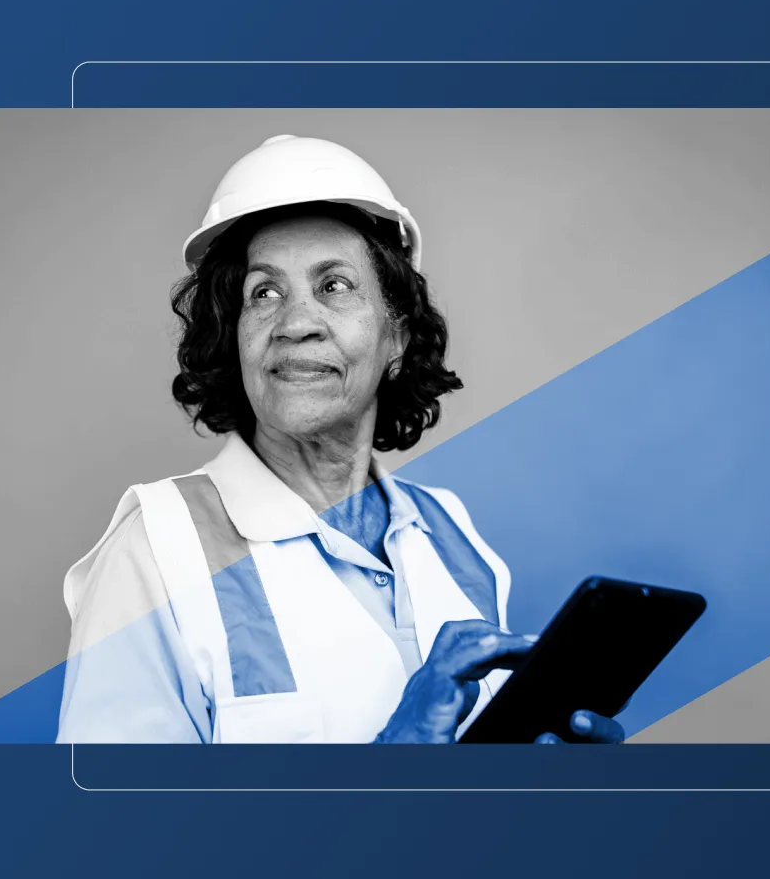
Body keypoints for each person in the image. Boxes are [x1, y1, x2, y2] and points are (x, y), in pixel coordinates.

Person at [56, 134, 625, 744]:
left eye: (334, 286)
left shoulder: (454, 536)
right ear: (233, 338)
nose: (295, 324)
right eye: (264, 293)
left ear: (397, 337)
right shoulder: (154, 549)